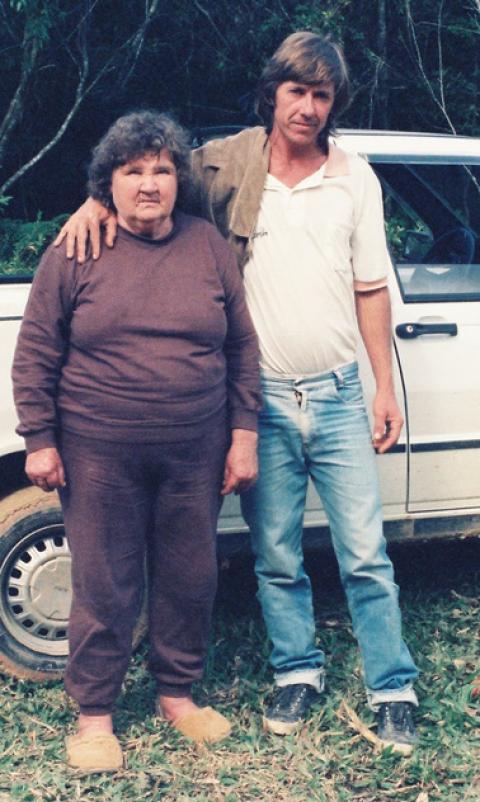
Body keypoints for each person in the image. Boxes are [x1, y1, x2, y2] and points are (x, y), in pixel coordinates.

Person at [54, 31, 419, 755]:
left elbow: (371, 287)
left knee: (365, 554)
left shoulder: (355, 177)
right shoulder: (222, 165)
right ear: (272, 93)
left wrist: (384, 385)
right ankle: (297, 673)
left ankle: (393, 689)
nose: (307, 106)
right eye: (296, 90)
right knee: (276, 555)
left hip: (339, 393)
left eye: (321, 95)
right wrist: (93, 203)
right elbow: (143, 179)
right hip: (261, 400)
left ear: (334, 103)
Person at [12, 110, 261, 773]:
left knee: (190, 575)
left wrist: (243, 434)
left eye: (161, 170)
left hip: (195, 451)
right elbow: (36, 350)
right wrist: (40, 438)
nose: (149, 184)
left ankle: (177, 694)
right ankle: (95, 714)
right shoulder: (77, 247)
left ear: (179, 179)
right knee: (104, 582)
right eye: (132, 171)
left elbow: (242, 347)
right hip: (98, 452)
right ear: (109, 184)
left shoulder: (207, 246)